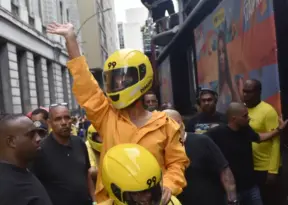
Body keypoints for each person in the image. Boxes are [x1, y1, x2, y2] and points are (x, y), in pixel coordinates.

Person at [47, 22, 189, 204]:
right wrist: (71, 41)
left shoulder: (166, 124)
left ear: (142, 76)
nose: (118, 84)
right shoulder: (107, 116)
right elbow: (87, 86)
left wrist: (168, 186)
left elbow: (177, 163)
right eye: (114, 79)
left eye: (125, 78)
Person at [206, 102, 287, 205]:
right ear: (234, 119)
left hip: (251, 186)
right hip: (233, 191)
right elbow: (202, 142)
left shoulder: (246, 129)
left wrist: (278, 130)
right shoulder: (218, 133)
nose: (249, 118)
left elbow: (259, 138)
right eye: (245, 116)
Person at [163, 109, 238, 205]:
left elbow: (224, 170)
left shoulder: (202, 141)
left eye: (164, 124)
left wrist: (232, 200)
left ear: (178, 122)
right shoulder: (163, 149)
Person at [31, 104, 95, 205]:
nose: (64, 122)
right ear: (49, 123)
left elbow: (87, 174)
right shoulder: (40, 150)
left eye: (67, 118)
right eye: (58, 119)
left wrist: (94, 200)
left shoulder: (79, 143)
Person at [99, 143, 182, 205]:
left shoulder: (172, 203)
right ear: (116, 192)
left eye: (150, 190)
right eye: (136, 193)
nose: (147, 198)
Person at [243, 79, 282, 205]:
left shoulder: (268, 111)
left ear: (258, 92)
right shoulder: (242, 110)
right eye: (244, 91)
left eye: (249, 92)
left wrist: (273, 171)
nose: (245, 95)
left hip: (265, 168)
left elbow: (276, 142)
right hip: (249, 166)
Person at [0, 114, 52, 205]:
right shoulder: (10, 189)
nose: (38, 138)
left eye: (38, 133)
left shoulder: (22, 171)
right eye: (31, 135)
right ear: (11, 142)